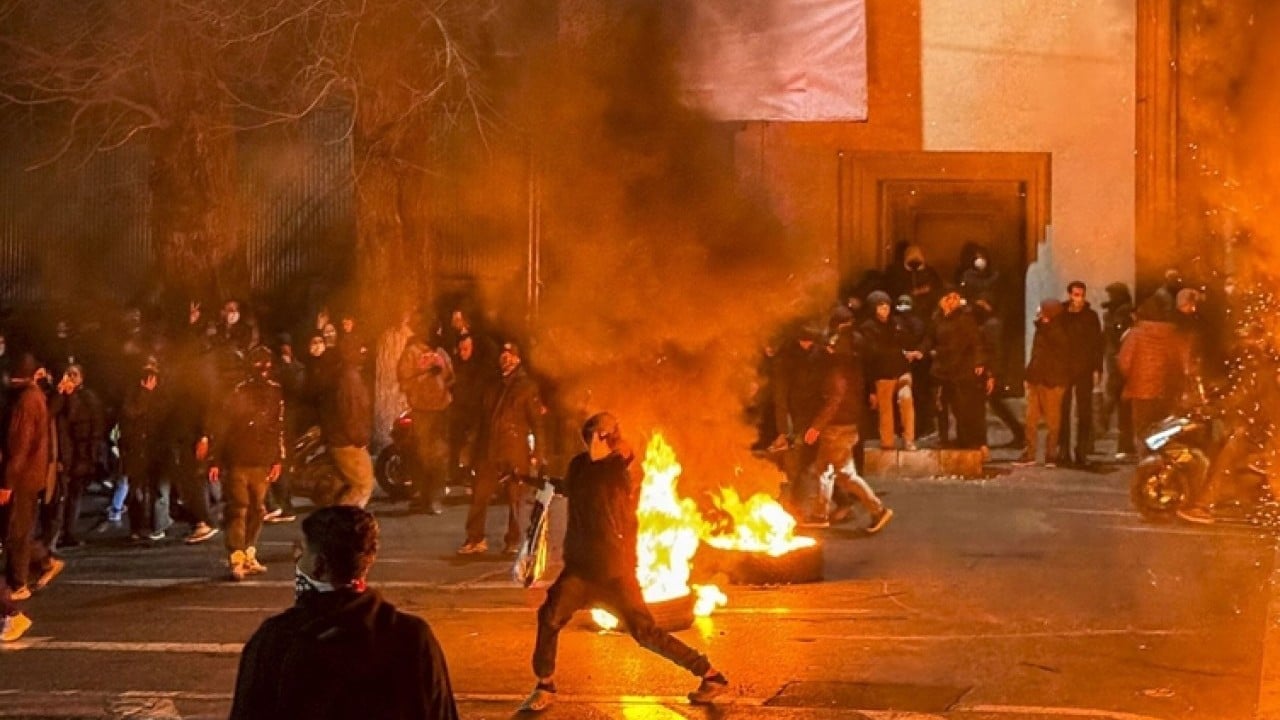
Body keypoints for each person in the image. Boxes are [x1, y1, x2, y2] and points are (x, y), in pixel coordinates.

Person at [519, 412, 729, 713]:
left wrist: (620, 446)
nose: (593, 439)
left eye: (599, 434)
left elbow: (622, 466)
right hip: (579, 569)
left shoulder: (617, 470)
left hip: (613, 572)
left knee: (646, 634)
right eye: (592, 432)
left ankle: (710, 675)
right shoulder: (579, 466)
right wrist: (523, 478)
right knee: (549, 616)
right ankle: (545, 685)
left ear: (607, 438)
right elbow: (567, 487)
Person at [230, 505, 459, 719]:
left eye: (302, 553)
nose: (298, 561)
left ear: (320, 565)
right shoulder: (412, 637)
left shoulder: (278, 640)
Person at [458, 341, 545, 555]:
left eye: (510, 355)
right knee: (480, 495)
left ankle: (513, 541)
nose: (505, 359)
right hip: (490, 449)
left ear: (518, 359)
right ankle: (475, 539)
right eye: (503, 355)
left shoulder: (527, 387)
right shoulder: (493, 385)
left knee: (515, 500)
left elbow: (537, 423)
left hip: (514, 450)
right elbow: (482, 420)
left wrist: (538, 453)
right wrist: (470, 448)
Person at [210, 346, 285, 581]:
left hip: (261, 461)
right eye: (258, 363)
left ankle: (249, 552)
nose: (263, 368)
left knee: (257, 509)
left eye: (266, 363)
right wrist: (217, 460)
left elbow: (278, 427)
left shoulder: (275, 392)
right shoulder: (237, 392)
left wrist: (277, 459)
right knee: (238, 509)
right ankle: (236, 557)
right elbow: (224, 427)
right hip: (239, 460)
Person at [805, 335, 894, 531]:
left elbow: (833, 401)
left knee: (842, 475)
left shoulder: (837, 372)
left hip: (837, 428)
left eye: (831, 347)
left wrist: (816, 427)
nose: (828, 350)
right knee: (828, 470)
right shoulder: (853, 368)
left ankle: (877, 510)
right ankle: (820, 514)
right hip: (849, 426)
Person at [1, 356, 64, 601]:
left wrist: (7, 482)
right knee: (18, 528)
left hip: (22, 477)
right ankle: (44, 561)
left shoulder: (24, 400)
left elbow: (19, 445)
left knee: (16, 530)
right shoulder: (31, 395)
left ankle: (18, 584)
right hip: (28, 475)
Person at [396, 328, 454, 514]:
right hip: (421, 411)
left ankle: (435, 498)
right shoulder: (411, 353)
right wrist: (425, 373)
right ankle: (422, 496)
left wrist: (443, 375)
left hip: (441, 410)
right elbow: (404, 381)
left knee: (439, 455)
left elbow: (451, 377)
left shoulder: (441, 353)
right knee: (422, 455)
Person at [922, 287, 987, 450]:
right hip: (941, 369)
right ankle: (943, 437)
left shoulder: (965, 317)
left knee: (960, 405)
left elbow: (975, 341)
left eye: (955, 298)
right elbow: (930, 338)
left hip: (960, 368)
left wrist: (979, 362)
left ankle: (964, 439)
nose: (952, 301)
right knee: (940, 404)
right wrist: (923, 351)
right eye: (948, 298)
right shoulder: (937, 318)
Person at [49, 364, 105, 547]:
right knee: (61, 495)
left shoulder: (87, 398)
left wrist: (92, 454)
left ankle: (69, 531)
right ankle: (58, 533)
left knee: (74, 494)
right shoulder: (60, 396)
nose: (71, 378)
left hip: (81, 454)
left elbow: (79, 419)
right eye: (68, 374)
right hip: (65, 454)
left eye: (74, 374)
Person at [1014, 300, 1071, 467]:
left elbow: (1060, 355)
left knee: (1053, 421)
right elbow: (1037, 355)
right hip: (1036, 379)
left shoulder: (1059, 331)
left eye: (1042, 309)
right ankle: (1030, 453)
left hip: (1052, 382)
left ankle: (1051, 454)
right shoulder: (1042, 329)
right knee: (1030, 419)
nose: (1038, 311)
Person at [860, 292, 919, 452]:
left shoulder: (896, 323)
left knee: (906, 400)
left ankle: (909, 440)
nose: (885, 308)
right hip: (883, 373)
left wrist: (910, 352)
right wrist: (871, 387)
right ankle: (887, 442)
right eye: (880, 305)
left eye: (887, 305)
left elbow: (908, 340)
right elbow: (871, 355)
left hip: (901, 370)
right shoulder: (868, 328)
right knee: (885, 410)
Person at [1057, 281, 1103, 467]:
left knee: (1084, 411)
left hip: (1084, 368)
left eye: (1081, 294)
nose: (1079, 299)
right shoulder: (1061, 315)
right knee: (1063, 410)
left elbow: (1097, 344)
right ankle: (1063, 451)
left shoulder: (1090, 316)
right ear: (1069, 295)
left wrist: (1097, 368)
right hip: (1064, 368)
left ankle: (1082, 451)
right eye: (1076, 294)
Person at [324, 341, 375, 507]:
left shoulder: (343, 376)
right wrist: (360, 439)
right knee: (362, 485)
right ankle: (344, 522)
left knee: (354, 484)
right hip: (347, 441)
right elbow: (352, 413)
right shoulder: (349, 379)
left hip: (341, 438)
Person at [1100, 282, 1135, 460]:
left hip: (1122, 363)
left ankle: (1123, 442)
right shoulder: (1112, 313)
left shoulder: (1125, 312)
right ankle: (1121, 441)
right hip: (1114, 362)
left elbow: (1120, 334)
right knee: (1117, 402)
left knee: (1120, 403)